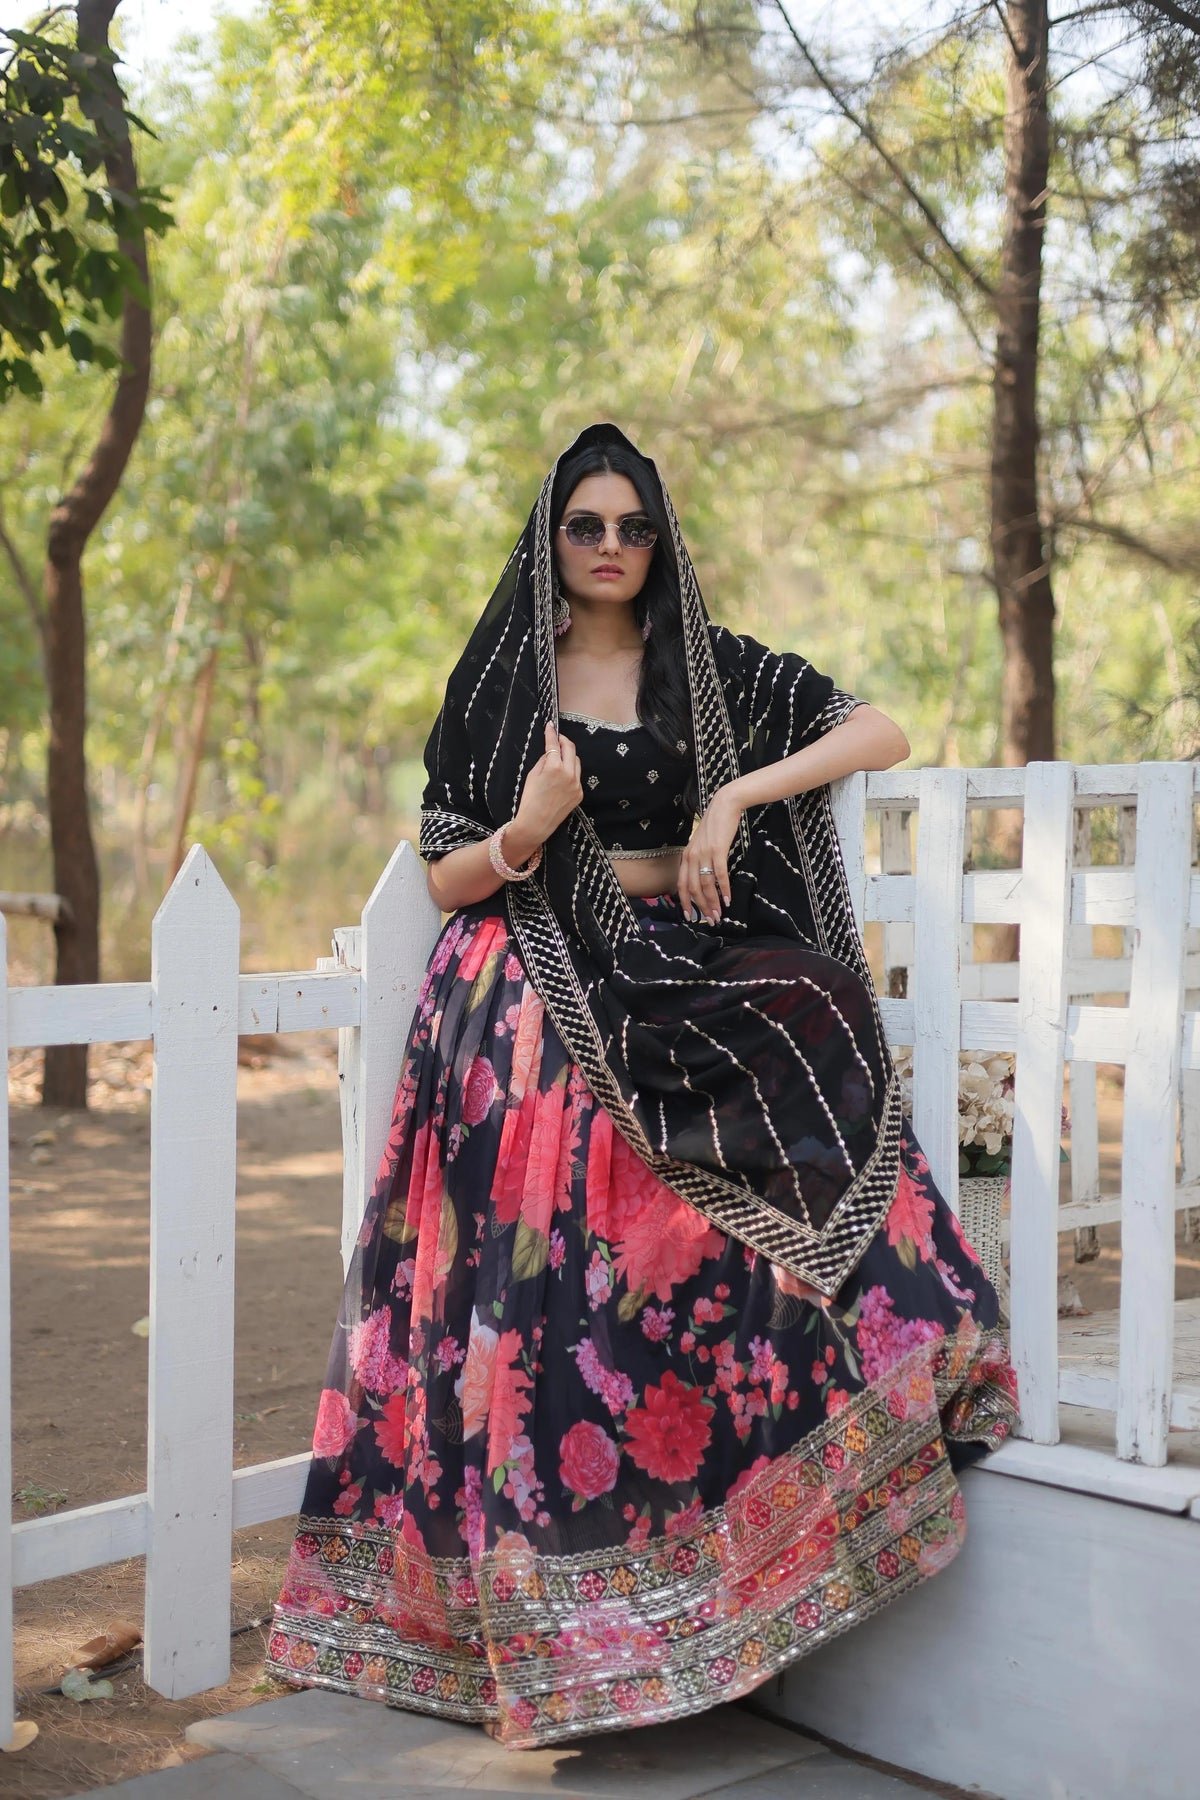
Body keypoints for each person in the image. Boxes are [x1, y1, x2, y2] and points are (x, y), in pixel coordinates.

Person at [266, 422, 1018, 1749]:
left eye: (632, 527)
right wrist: (533, 827)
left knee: (817, 1013)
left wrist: (733, 803)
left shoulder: (705, 671)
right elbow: (447, 870)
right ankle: (563, 1597)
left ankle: (846, 1410)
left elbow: (882, 731)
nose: (610, 547)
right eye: (586, 526)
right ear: (550, 538)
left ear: (659, 541)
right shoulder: (507, 680)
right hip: (531, 964)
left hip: (665, 961)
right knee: (570, 1168)